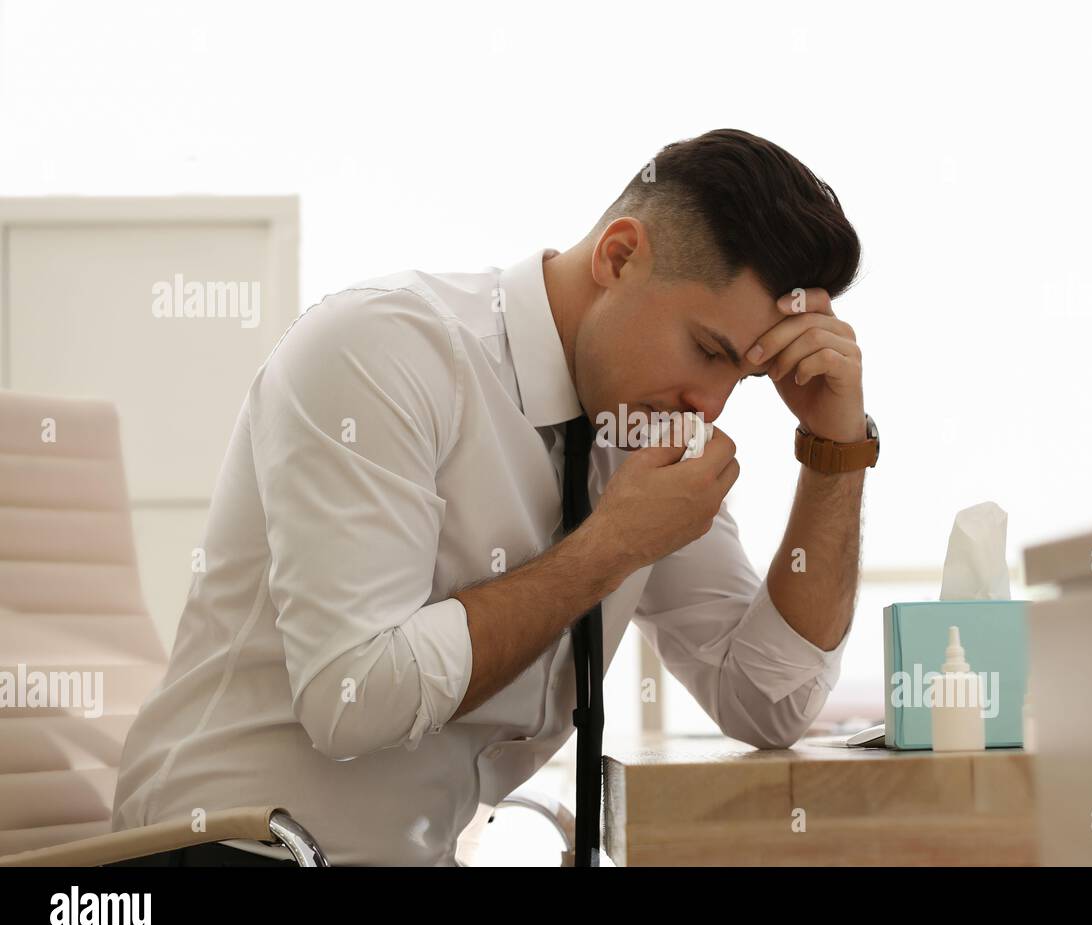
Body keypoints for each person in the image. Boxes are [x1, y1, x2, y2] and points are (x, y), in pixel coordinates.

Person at [111, 128, 874, 866]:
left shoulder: (644, 429)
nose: (708, 404)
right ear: (619, 255)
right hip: (223, 852)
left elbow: (769, 703)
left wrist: (835, 455)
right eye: (707, 351)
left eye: (740, 377)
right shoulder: (384, 350)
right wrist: (610, 548)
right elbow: (352, 700)